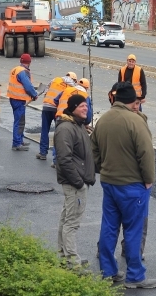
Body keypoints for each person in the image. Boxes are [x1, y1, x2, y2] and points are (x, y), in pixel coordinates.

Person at [91, 82, 156, 289]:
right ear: (132, 102)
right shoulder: (135, 121)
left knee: (109, 227)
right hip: (132, 185)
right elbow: (146, 152)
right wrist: (149, 179)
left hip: (109, 182)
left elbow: (93, 150)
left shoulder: (103, 120)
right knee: (133, 230)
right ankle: (135, 276)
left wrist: (103, 169)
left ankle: (108, 271)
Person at [54, 93, 96, 269]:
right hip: (74, 184)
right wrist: (78, 182)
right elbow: (64, 159)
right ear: (72, 109)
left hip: (78, 181)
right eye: (81, 106)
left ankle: (64, 256)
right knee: (72, 222)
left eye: (86, 105)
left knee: (66, 219)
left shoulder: (78, 125)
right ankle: (72, 261)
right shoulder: (66, 129)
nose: (85, 108)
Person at [37, 72, 78, 161]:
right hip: (58, 109)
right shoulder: (72, 86)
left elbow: (45, 90)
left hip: (47, 106)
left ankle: (43, 153)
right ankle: (56, 158)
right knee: (58, 133)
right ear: (73, 79)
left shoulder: (55, 79)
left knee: (44, 130)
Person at [7, 53, 38, 151]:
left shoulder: (15, 69)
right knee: (19, 121)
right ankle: (16, 143)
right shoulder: (23, 72)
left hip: (13, 98)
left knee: (20, 120)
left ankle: (20, 140)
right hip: (18, 99)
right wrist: (34, 94)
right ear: (29, 62)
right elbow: (28, 86)